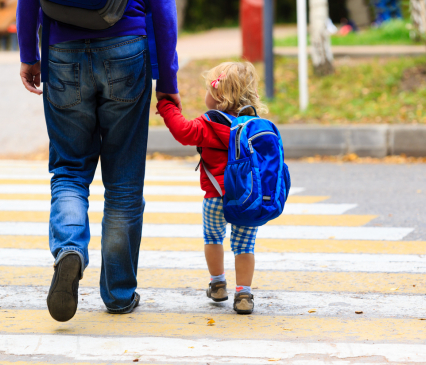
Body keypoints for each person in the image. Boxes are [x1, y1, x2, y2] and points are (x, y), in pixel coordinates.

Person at [16, 0, 181, 322]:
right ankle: (118, 295)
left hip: (62, 50)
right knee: (124, 182)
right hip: (126, 49)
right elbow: (163, 9)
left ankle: (69, 248)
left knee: (69, 170)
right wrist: (167, 80)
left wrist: (28, 55)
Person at [157, 62, 267, 315]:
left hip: (216, 198)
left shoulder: (210, 123)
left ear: (217, 95)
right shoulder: (255, 126)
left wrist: (166, 106)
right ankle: (243, 293)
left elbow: (183, 131)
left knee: (213, 239)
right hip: (249, 199)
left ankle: (217, 283)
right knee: (245, 247)